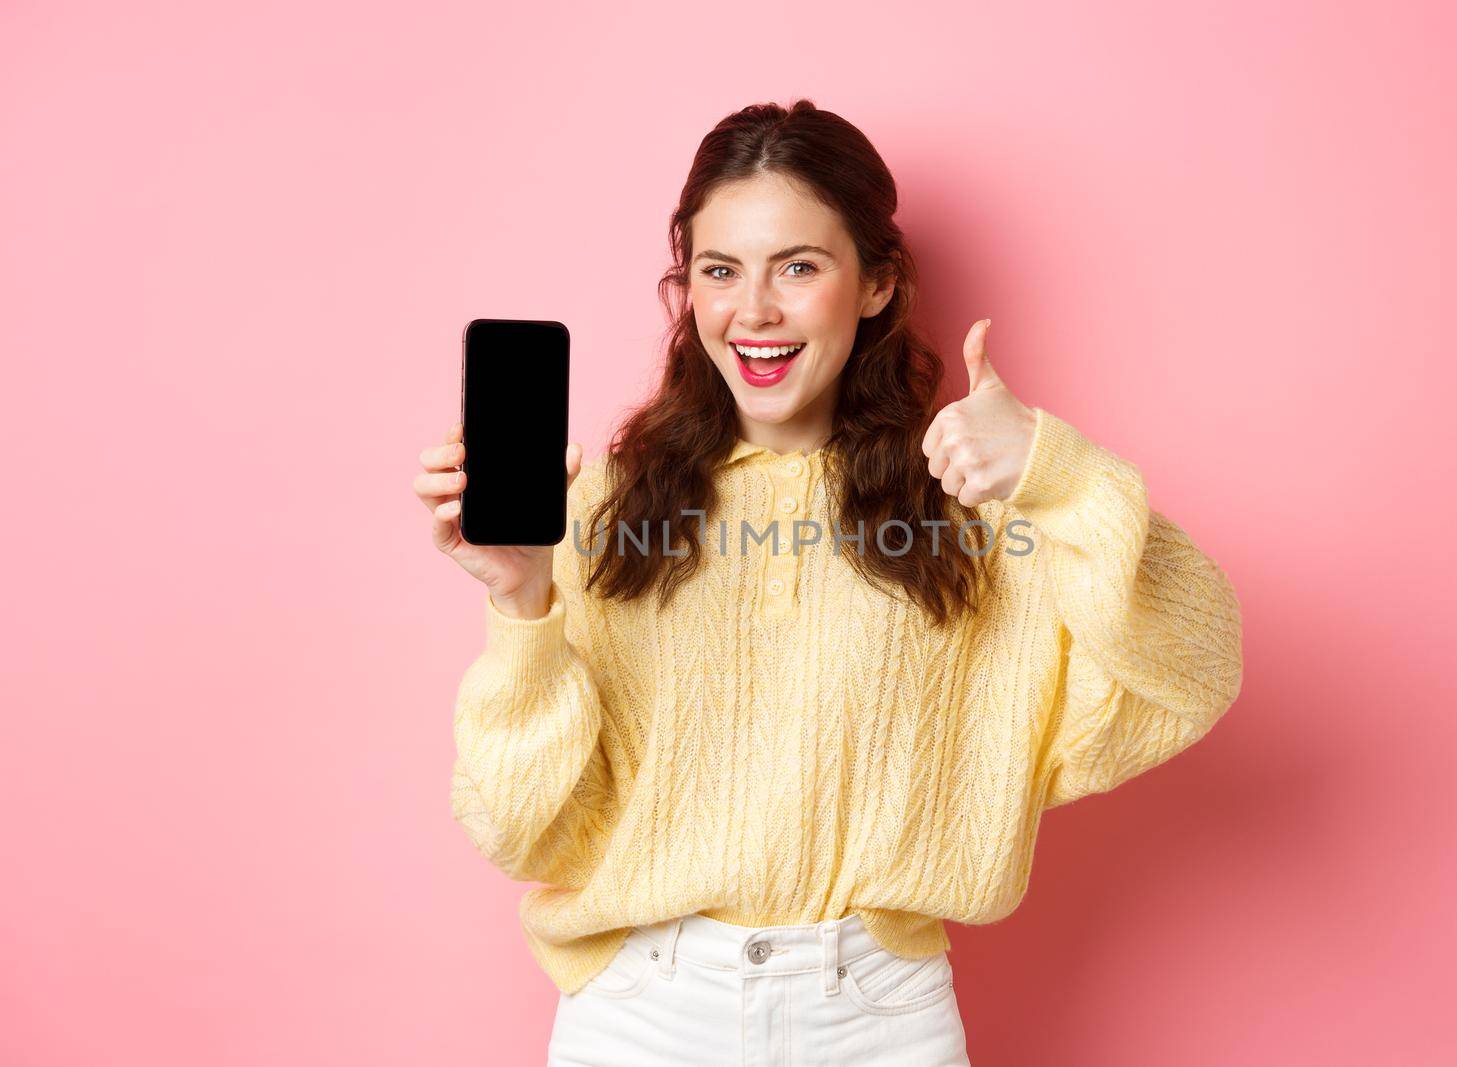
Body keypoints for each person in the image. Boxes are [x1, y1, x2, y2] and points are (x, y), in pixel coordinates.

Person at [414, 99, 1243, 1067]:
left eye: (797, 266)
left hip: (878, 1019)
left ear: (878, 282)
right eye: (719, 271)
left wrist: (1058, 474)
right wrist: (524, 601)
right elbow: (519, 829)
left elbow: (1197, 664)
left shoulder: (972, 507)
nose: (752, 311)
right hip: (640, 1015)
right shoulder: (598, 512)